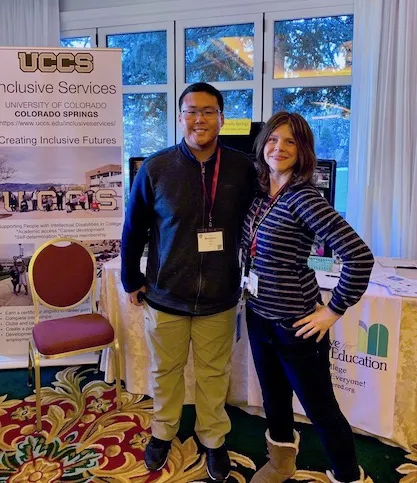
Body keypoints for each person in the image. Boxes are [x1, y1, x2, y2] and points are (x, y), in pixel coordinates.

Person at [121, 82, 256, 481]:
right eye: (191, 111)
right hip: (166, 295)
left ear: (222, 118)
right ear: (180, 117)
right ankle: (163, 432)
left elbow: (259, 221)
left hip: (220, 295)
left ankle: (213, 439)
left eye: (208, 111)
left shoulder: (242, 168)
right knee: (165, 370)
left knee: (215, 373)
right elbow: (134, 230)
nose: (199, 119)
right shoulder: (156, 168)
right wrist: (131, 279)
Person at [241, 112, 374, 483]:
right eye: (272, 139)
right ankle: (282, 461)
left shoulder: (303, 198)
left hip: (296, 325)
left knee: (321, 409)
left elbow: (359, 256)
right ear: (262, 143)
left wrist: (332, 311)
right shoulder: (261, 192)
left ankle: (348, 475)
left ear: (302, 152)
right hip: (258, 315)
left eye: (290, 142)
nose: (278, 148)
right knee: (274, 397)